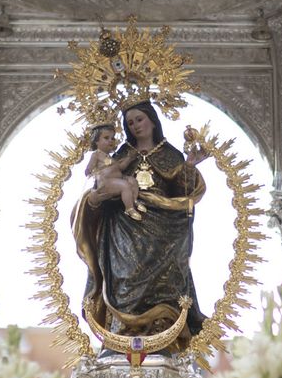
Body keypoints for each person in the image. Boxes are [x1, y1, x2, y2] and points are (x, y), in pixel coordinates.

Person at [71, 100, 211, 349]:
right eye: (130, 123)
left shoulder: (170, 154)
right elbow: (101, 184)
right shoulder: (122, 155)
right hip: (123, 229)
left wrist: (189, 165)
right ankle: (122, 332)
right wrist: (94, 199)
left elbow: (184, 192)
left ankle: (164, 337)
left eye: (139, 119)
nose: (135, 126)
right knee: (124, 277)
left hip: (163, 230)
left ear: (152, 120)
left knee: (166, 282)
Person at [83, 123, 145, 221]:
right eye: (106, 138)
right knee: (124, 185)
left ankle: (133, 200)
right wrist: (89, 171)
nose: (110, 141)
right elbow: (89, 167)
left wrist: (129, 158)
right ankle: (129, 209)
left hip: (117, 179)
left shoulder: (111, 158)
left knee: (132, 181)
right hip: (105, 183)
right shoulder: (96, 155)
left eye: (112, 138)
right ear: (96, 141)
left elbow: (121, 167)